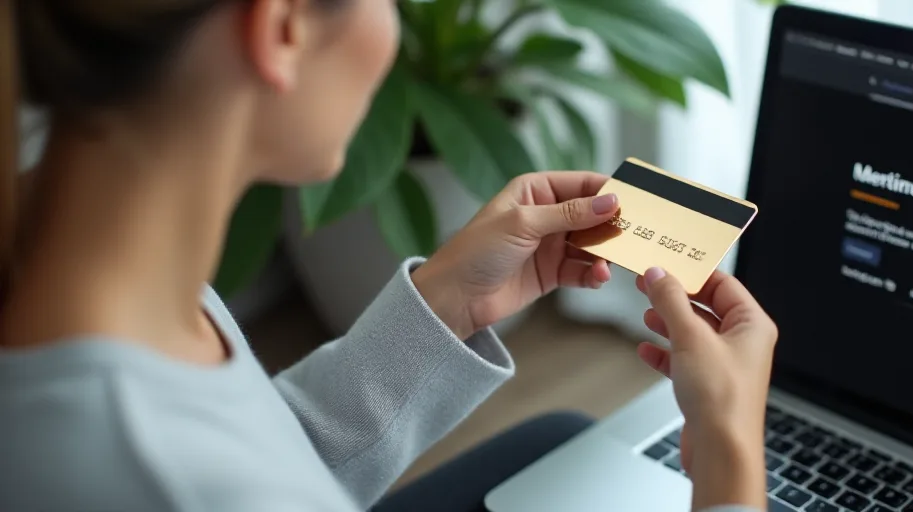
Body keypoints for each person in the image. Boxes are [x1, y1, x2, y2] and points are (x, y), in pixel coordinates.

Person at [0, 0, 779, 511]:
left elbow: (264, 452)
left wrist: (445, 308)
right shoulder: (156, 472)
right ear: (282, 28)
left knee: (557, 441)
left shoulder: (86, 264)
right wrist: (732, 460)